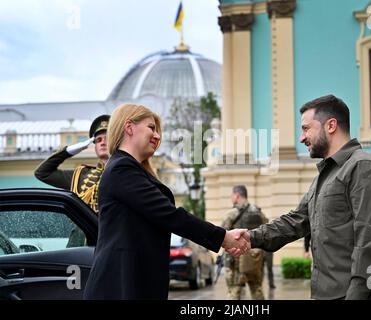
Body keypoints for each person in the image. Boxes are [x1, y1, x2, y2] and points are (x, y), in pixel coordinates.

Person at [234, 94, 371, 300]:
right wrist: (250, 237)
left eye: (306, 128)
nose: (302, 138)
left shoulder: (363, 168)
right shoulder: (324, 176)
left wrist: (358, 296)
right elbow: (295, 221)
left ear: (331, 125)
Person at [83, 103, 249, 300]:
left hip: (131, 283)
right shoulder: (122, 169)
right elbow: (170, 215)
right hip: (120, 286)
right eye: (151, 128)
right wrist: (223, 237)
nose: (158, 136)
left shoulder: (130, 170)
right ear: (129, 127)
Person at [35, 114, 110, 246]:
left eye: (107, 138)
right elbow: (42, 173)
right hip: (80, 244)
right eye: (98, 140)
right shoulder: (80, 175)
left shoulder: (126, 173)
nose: (102, 142)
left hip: (110, 241)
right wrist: (69, 151)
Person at [221, 185, 267, 300]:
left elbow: (223, 235)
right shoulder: (259, 212)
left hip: (236, 261)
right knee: (257, 289)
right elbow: (266, 231)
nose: (231, 199)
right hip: (255, 259)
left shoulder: (232, 213)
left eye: (232, 196)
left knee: (234, 291)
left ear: (237, 196)